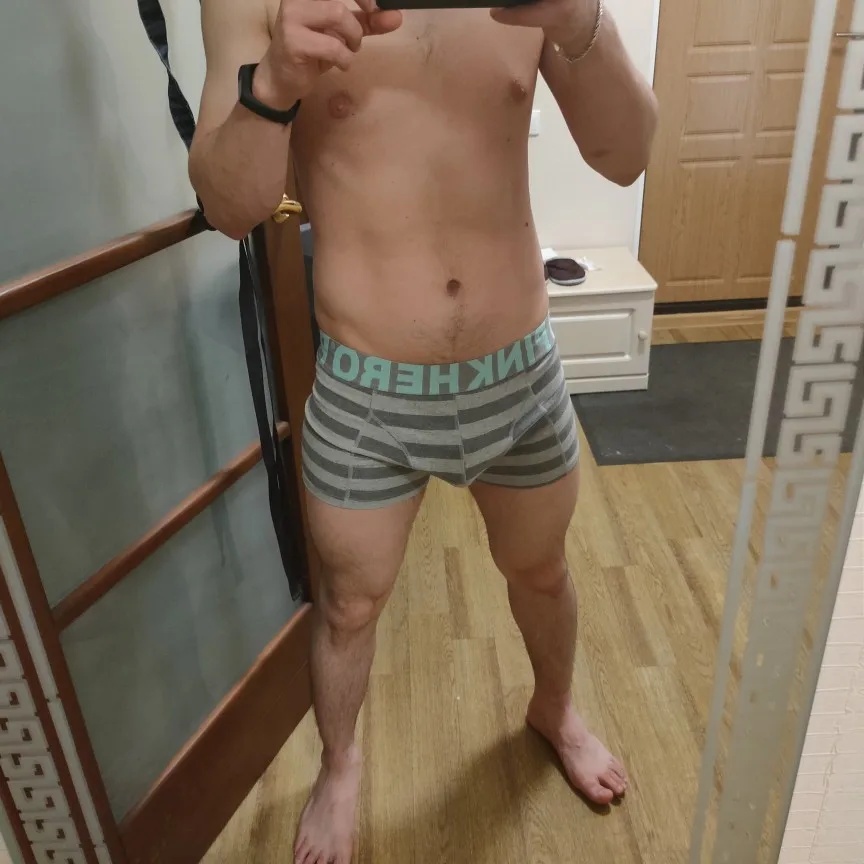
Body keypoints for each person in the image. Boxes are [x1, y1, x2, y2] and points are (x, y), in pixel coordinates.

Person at [190, 0, 657, 858]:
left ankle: (555, 709)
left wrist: (581, 20)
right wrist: (278, 81)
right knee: (349, 606)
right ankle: (340, 766)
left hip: (517, 375)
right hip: (366, 391)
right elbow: (229, 207)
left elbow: (628, 157)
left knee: (541, 571)